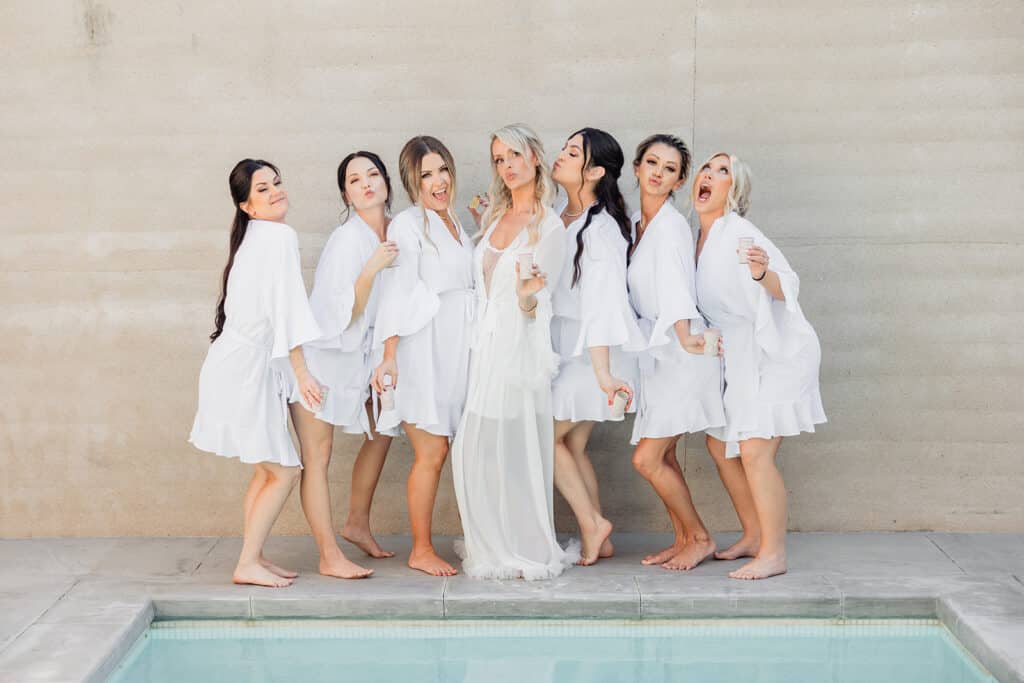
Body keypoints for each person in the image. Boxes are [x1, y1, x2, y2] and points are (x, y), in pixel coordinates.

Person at [452, 124, 580, 580]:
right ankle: (491, 540)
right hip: (480, 344)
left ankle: (520, 544)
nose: (507, 166)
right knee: (479, 450)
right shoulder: (495, 216)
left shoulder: (549, 226)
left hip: (516, 347)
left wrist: (526, 297)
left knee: (509, 448)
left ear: (535, 158)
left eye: (514, 156)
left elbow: (536, 303)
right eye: (499, 159)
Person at [189, 159, 323, 587]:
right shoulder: (278, 237)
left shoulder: (256, 239)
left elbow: (277, 312)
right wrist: (302, 374)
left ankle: (255, 556)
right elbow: (288, 308)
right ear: (246, 205)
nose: (275, 191)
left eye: (277, 183)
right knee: (283, 469)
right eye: (263, 189)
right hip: (243, 370)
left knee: (267, 470)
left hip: (239, 367)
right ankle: (247, 562)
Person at [693, 152, 826, 580]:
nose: (709, 175)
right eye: (706, 168)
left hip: (778, 353)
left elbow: (787, 286)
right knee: (720, 445)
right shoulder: (700, 237)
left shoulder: (740, 231)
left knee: (753, 450)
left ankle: (774, 553)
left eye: (722, 171)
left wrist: (760, 274)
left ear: (735, 190)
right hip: (739, 357)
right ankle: (753, 534)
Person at [287, 152, 399, 579]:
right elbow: (341, 314)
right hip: (323, 360)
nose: (366, 183)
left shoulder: (399, 230)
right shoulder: (346, 241)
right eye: (355, 180)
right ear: (346, 194)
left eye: (373, 174)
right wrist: (370, 270)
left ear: (386, 182)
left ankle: (356, 522)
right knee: (318, 455)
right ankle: (329, 553)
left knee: (384, 429)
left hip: (365, 358)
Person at [371, 136, 474, 577]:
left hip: (457, 348)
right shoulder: (408, 226)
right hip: (422, 351)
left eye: (442, 170)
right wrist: (389, 355)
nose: (438, 181)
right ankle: (421, 548)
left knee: (449, 448)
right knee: (431, 452)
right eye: (426, 175)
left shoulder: (452, 219)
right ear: (412, 183)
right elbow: (397, 291)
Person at [626, 134, 727, 570]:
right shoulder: (636, 222)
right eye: (651, 162)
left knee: (647, 458)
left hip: (682, 350)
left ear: (679, 180)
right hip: (659, 353)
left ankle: (700, 536)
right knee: (663, 455)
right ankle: (683, 537)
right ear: (636, 167)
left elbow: (677, 287)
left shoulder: (668, 227)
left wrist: (686, 337)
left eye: (669, 169)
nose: (658, 173)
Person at [549, 128, 645, 565]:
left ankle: (592, 524)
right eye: (564, 149)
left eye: (573, 153)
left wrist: (603, 373)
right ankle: (600, 533)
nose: (560, 156)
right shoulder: (559, 215)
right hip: (570, 348)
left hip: (594, 354)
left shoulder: (602, 230)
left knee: (541, 440)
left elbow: (603, 306)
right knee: (570, 447)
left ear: (594, 171)